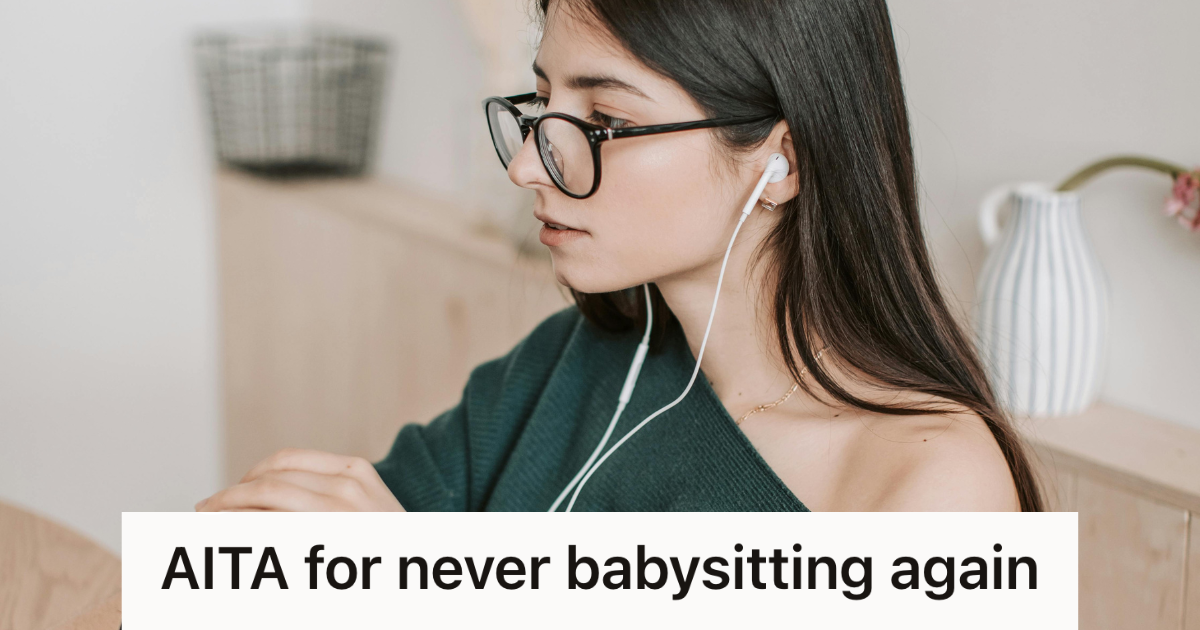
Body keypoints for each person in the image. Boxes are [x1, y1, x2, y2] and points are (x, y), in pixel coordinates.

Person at [195, 0, 1044, 514]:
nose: (531, 162)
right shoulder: (572, 367)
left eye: (603, 123)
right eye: (540, 101)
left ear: (782, 160)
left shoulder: (933, 486)